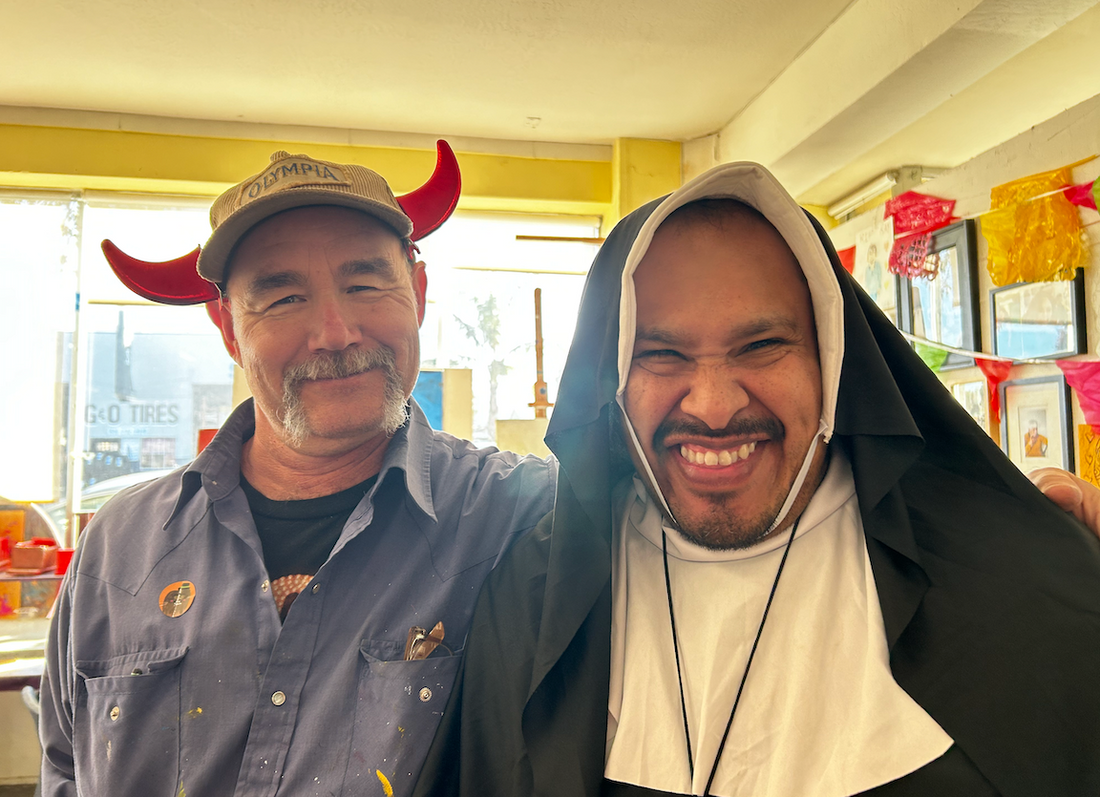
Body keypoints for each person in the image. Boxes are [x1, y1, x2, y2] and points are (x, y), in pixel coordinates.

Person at [419, 162, 1100, 796]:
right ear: (614, 382)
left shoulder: (1008, 580)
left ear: (831, 364)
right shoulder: (530, 600)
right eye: (661, 354)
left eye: (763, 345)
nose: (713, 406)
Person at [38, 145, 557, 797]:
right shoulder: (119, 548)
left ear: (418, 294)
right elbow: (65, 768)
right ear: (228, 328)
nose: (336, 333)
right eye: (283, 297)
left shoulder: (516, 515)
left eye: (365, 284)